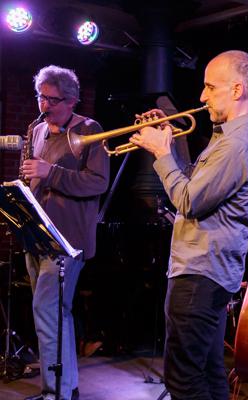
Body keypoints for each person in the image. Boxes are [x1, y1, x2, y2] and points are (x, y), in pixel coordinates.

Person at [129, 50, 248, 400]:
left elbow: (188, 200)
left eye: (209, 87)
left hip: (200, 274)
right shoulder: (228, 138)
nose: (202, 97)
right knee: (208, 374)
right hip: (209, 273)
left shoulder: (235, 145)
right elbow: (197, 184)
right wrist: (171, 139)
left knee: (184, 381)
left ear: (236, 90)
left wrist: (160, 154)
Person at [21, 65, 110, 400]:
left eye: (52, 100)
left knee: (47, 311)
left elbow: (98, 182)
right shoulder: (36, 128)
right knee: (55, 313)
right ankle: (64, 388)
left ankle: (53, 392)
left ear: (71, 101)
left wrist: (50, 172)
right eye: (40, 97)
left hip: (67, 238)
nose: (44, 106)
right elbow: (33, 174)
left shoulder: (90, 129)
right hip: (37, 233)